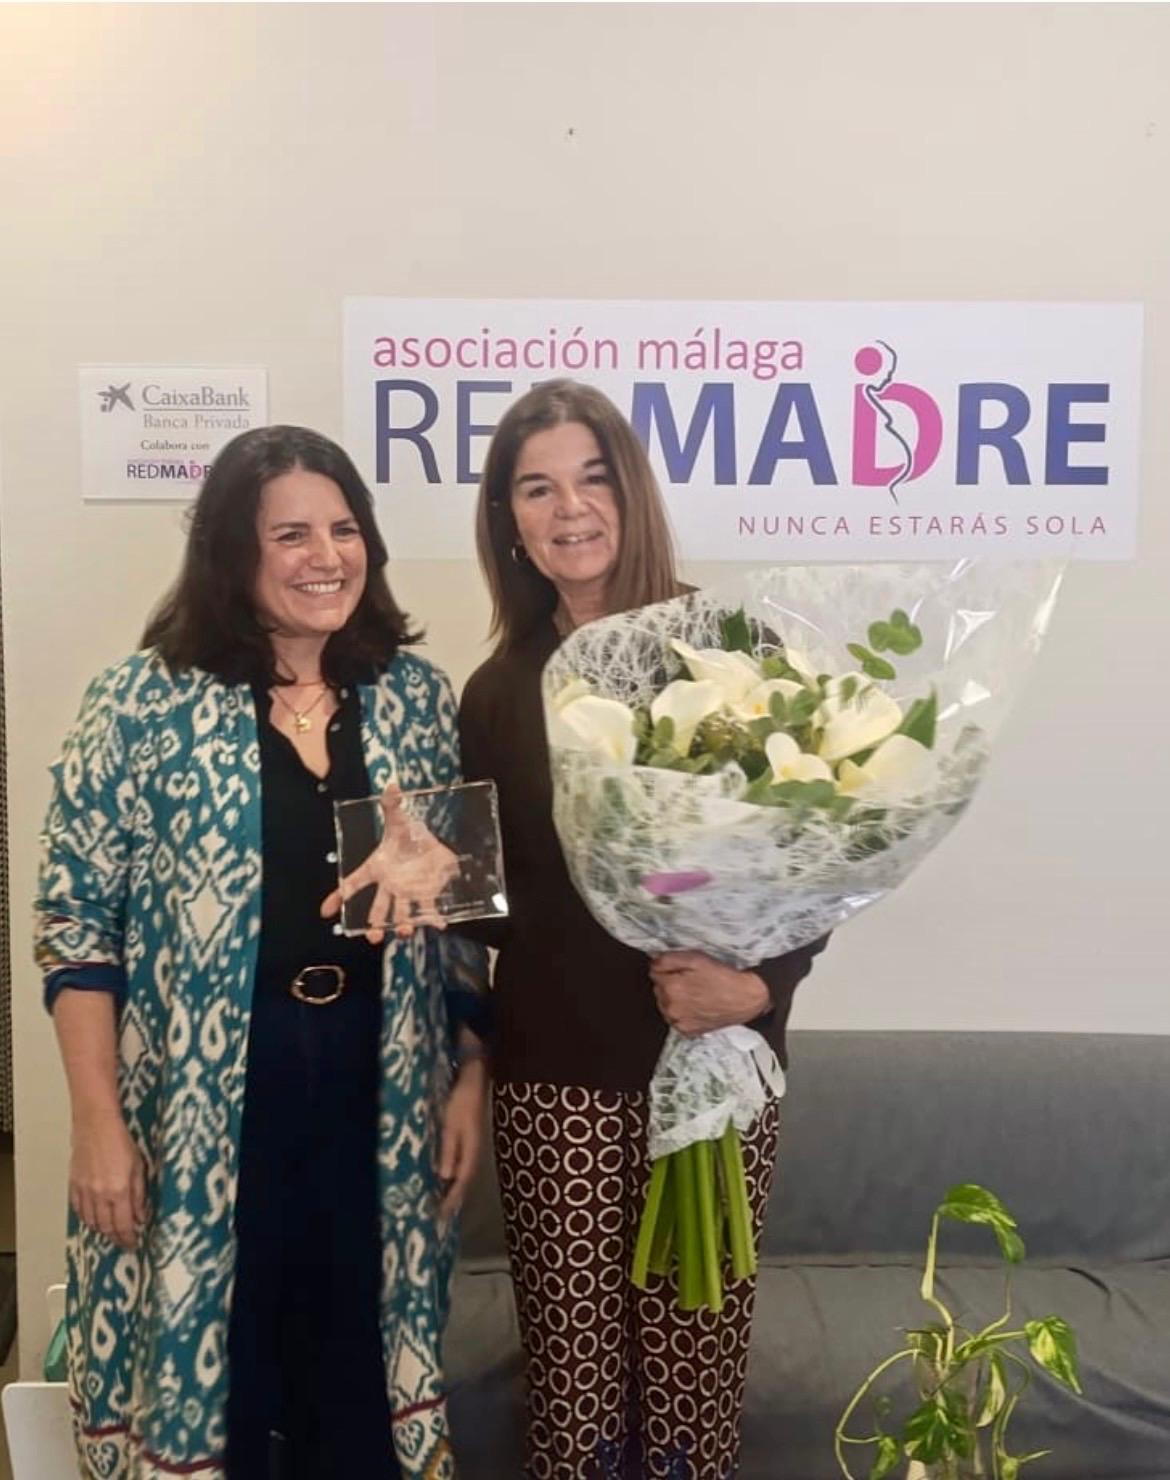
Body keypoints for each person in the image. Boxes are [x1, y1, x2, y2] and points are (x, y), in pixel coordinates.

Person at [34, 425, 489, 1480]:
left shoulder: (415, 698)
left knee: (358, 1384)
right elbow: (77, 929)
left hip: (378, 1094)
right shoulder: (139, 703)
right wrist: (97, 1124)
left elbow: (461, 921)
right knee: (217, 1384)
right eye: (291, 534)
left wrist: (470, 1073)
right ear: (232, 553)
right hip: (201, 1106)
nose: (326, 555)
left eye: (345, 529)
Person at [455, 380, 829, 1480]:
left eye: (593, 477)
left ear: (632, 491)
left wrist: (760, 989)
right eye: (537, 489)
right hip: (553, 1081)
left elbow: (816, 851)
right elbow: (481, 912)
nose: (569, 508)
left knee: (692, 1390)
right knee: (572, 1398)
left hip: (713, 1063)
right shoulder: (497, 690)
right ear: (509, 521)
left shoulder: (730, 650)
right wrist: (419, 875)